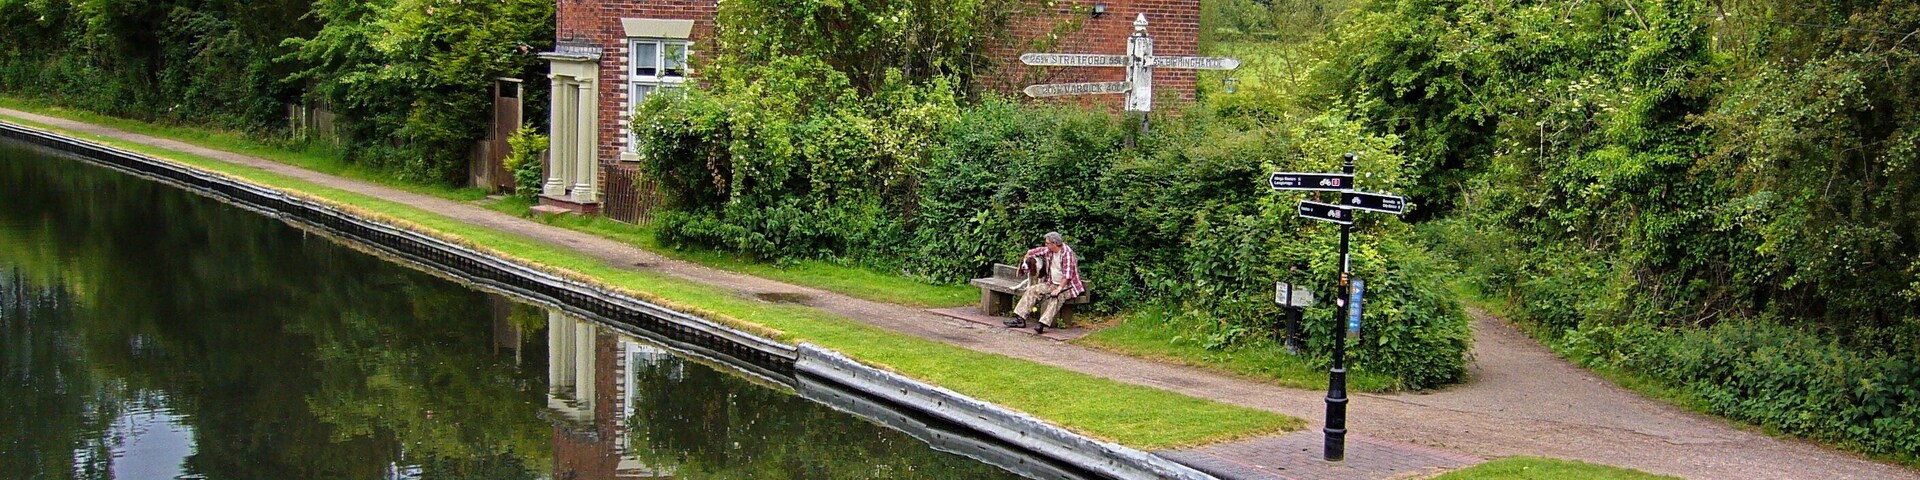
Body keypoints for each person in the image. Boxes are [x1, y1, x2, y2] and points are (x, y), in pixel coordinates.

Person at [1004, 232, 1085, 333]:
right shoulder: (1049, 250)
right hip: (1052, 283)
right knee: (1032, 289)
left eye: (1047, 243)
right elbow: (1031, 252)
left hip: (1067, 287)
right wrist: (1023, 262)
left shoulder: (1067, 254)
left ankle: (1042, 324)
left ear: (1054, 243)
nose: (1045, 245)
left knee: (1057, 297)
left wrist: (1059, 289)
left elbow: (1067, 276)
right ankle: (1020, 319)